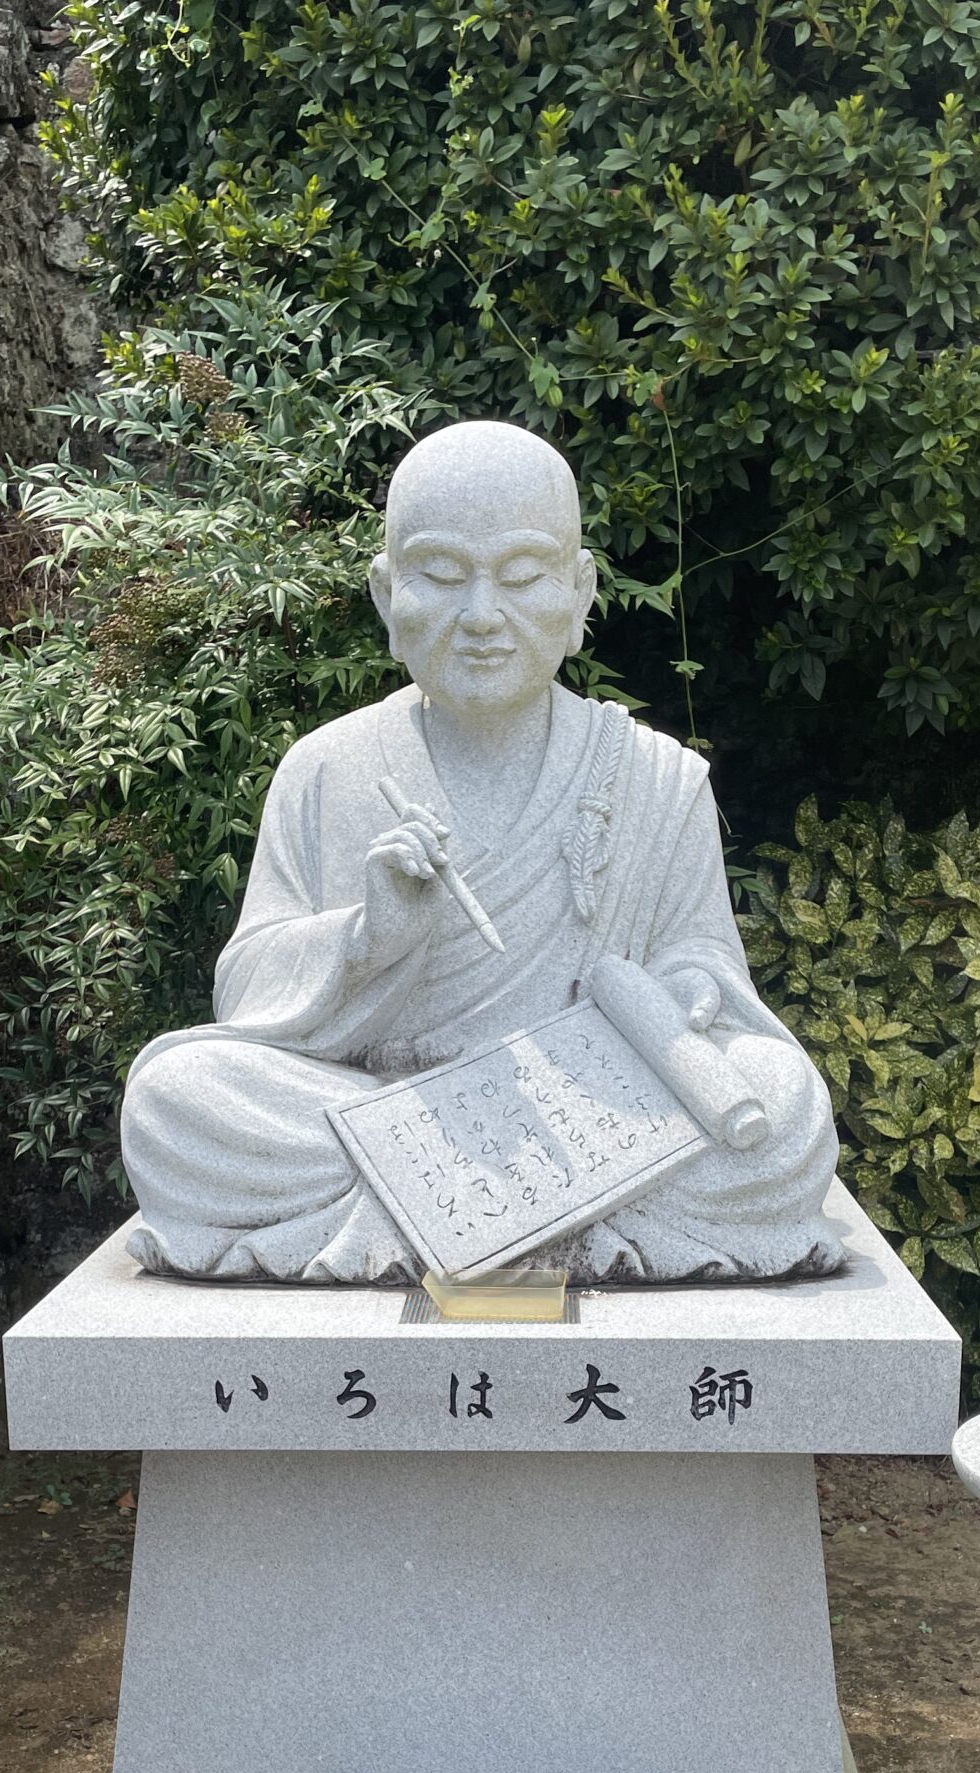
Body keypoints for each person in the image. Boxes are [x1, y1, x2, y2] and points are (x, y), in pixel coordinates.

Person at [121, 419, 845, 1282]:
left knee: (782, 1102)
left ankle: (440, 1216)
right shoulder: (327, 769)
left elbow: (706, 973)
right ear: (389, 595)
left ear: (579, 595)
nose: (481, 617)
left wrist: (684, 994)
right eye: (441, 576)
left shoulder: (657, 778)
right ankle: (544, 1220)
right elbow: (246, 995)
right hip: (394, 1109)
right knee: (176, 1097)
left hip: (592, 1115)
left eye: (523, 577)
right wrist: (369, 936)